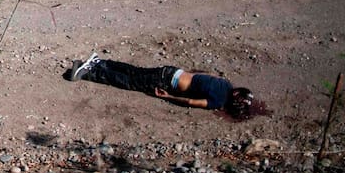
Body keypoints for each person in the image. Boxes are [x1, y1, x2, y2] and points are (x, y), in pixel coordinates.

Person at [63, 52, 255, 119]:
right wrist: (168, 97)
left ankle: (101, 62)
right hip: (166, 82)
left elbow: (204, 75)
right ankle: (88, 71)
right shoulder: (217, 101)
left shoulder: (225, 83)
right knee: (129, 82)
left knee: (135, 71)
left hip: (173, 71)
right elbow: (190, 101)